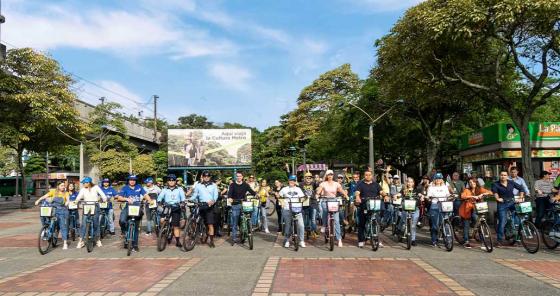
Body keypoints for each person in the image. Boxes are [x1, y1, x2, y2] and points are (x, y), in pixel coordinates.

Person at [117, 175, 150, 252]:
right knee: (122, 220)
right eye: (131, 180)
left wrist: (150, 200)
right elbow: (119, 197)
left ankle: (135, 245)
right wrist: (126, 199)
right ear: (128, 180)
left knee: (136, 227)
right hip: (127, 207)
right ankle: (124, 231)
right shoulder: (125, 188)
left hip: (137, 208)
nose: (132, 181)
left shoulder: (139, 187)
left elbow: (145, 195)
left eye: (134, 180)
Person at [316, 170, 349, 247]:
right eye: (328, 175)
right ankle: (324, 225)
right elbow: (319, 190)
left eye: (331, 175)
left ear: (333, 176)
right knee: (324, 211)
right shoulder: (323, 183)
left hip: (334, 201)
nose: (330, 176)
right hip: (325, 200)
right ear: (326, 176)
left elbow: (341, 190)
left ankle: (339, 239)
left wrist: (346, 195)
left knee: (337, 221)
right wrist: (317, 194)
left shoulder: (336, 184)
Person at [492, 170, 526, 247]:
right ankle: (499, 240)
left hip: (512, 202)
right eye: (501, 175)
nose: (503, 176)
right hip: (502, 204)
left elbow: (521, 188)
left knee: (519, 217)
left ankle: (517, 238)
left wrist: (521, 197)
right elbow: (495, 193)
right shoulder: (495, 184)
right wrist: (497, 198)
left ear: (507, 176)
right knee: (502, 221)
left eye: (504, 175)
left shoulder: (511, 182)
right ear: (499, 176)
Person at [35, 182, 70, 250]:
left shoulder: (66, 193)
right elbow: (45, 196)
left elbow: (68, 199)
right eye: (62, 185)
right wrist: (38, 200)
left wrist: (67, 203)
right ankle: (45, 230)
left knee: (63, 227)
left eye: (64, 186)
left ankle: (65, 243)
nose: (63, 187)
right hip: (53, 210)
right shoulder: (53, 191)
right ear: (58, 186)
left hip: (62, 211)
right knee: (43, 217)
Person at [74, 177, 107, 249]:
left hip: (95, 206)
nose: (83, 184)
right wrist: (76, 201)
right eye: (83, 183)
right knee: (84, 223)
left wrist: (104, 199)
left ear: (88, 183)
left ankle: (98, 239)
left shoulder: (96, 187)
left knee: (96, 223)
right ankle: (81, 241)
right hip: (86, 206)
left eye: (84, 183)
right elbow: (79, 196)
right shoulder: (83, 189)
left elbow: (103, 195)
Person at [459, 177, 492, 248]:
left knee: (479, 222)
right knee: (466, 224)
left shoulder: (480, 189)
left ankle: (483, 241)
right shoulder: (467, 190)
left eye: (473, 182)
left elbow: (490, 192)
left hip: (477, 208)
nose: (472, 184)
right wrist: (472, 196)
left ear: (476, 182)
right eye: (470, 182)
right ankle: (466, 241)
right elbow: (462, 196)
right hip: (467, 209)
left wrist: (483, 194)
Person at [354, 170, 383, 248]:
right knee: (362, 223)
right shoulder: (360, 184)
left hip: (374, 205)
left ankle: (377, 239)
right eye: (366, 175)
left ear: (372, 176)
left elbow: (381, 191)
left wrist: (385, 195)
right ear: (364, 176)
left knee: (376, 223)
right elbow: (357, 192)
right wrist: (357, 197)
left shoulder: (376, 184)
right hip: (364, 205)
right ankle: (361, 240)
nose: (368, 176)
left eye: (369, 175)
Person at [189, 171, 218, 247]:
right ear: (202, 177)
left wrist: (213, 201)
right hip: (201, 205)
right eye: (205, 176)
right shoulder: (198, 185)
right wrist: (189, 199)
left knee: (210, 224)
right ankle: (195, 232)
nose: (206, 177)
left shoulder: (214, 185)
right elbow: (195, 195)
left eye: (208, 176)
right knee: (194, 219)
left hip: (209, 206)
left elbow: (216, 195)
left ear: (210, 177)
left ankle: (211, 241)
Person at [227, 172, 256, 243]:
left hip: (244, 204)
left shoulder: (245, 185)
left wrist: (256, 194)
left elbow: (251, 191)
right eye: (237, 176)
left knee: (246, 217)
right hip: (235, 204)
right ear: (235, 177)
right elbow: (229, 193)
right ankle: (234, 237)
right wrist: (230, 198)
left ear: (242, 177)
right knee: (235, 221)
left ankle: (246, 231)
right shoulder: (232, 185)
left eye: (240, 176)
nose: (238, 177)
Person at [280, 175, 306, 248]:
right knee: (288, 225)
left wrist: (302, 201)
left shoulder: (298, 189)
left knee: (301, 225)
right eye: (291, 180)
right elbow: (279, 196)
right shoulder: (284, 189)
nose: (292, 181)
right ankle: (287, 240)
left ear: (295, 182)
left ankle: (301, 241)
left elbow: (303, 197)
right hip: (287, 209)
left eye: (294, 180)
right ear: (288, 181)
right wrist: (281, 202)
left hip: (297, 209)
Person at [426, 173, 450, 247]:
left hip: (444, 205)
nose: (438, 180)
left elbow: (448, 195)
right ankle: (434, 239)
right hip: (435, 205)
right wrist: (428, 197)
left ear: (442, 179)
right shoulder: (431, 187)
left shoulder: (445, 187)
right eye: (436, 178)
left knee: (444, 223)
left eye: (439, 178)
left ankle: (448, 239)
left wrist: (452, 196)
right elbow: (428, 196)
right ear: (434, 179)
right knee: (434, 225)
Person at [300, 172, 318, 238]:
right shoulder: (301, 184)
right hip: (304, 203)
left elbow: (319, 185)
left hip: (313, 203)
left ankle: (314, 230)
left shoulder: (314, 184)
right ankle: (306, 229)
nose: (308, 179)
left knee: (312, 218)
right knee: (304, 219)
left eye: (310, 178)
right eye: (307, 178)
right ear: (304, 178)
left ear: (311, 179)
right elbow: (293, 182)